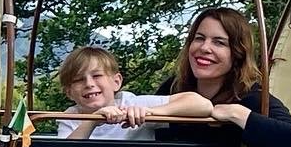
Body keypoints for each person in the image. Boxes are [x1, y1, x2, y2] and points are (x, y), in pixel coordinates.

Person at [155, 6, 291, 147]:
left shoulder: (252, 97)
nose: (204, 48)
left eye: (219, 43)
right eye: (199, 38)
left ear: (237, 53)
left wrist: (238, 114)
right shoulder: (173, 87)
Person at [56, 45, 213, 141]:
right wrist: (92, 121)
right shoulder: (70, 118)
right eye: (78, 80)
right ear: (69, 92)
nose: (89, 84)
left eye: (97, 76)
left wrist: (151, 113)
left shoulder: (133, 105)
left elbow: (203, 105)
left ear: (116, 82)